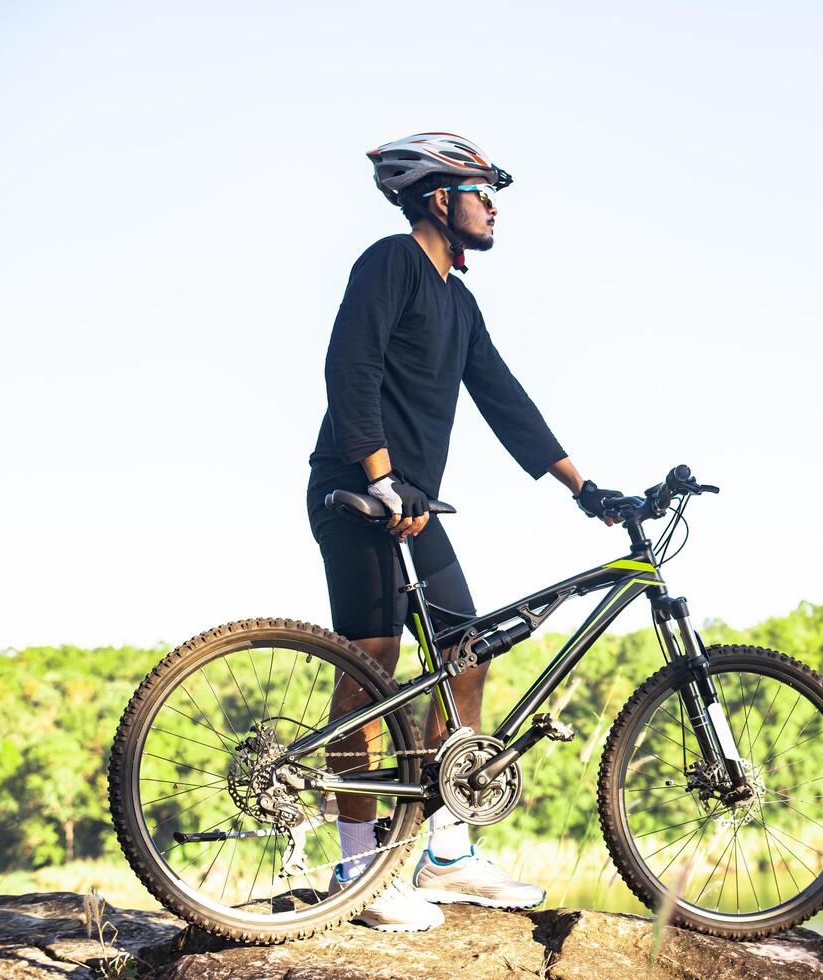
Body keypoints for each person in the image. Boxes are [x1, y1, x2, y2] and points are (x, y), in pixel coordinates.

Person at [305, 132, 622, 931]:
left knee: (466, 651)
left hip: (411, 507)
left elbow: (504, 398)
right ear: (438, 197)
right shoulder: (392, 262)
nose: (494, 206)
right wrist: (376, 475)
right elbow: (349, 367)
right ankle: (356, 866)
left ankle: (445, 851)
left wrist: (585, 490)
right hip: (356, 493)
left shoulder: (460, 300)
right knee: (371, 672)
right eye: (483, 190)